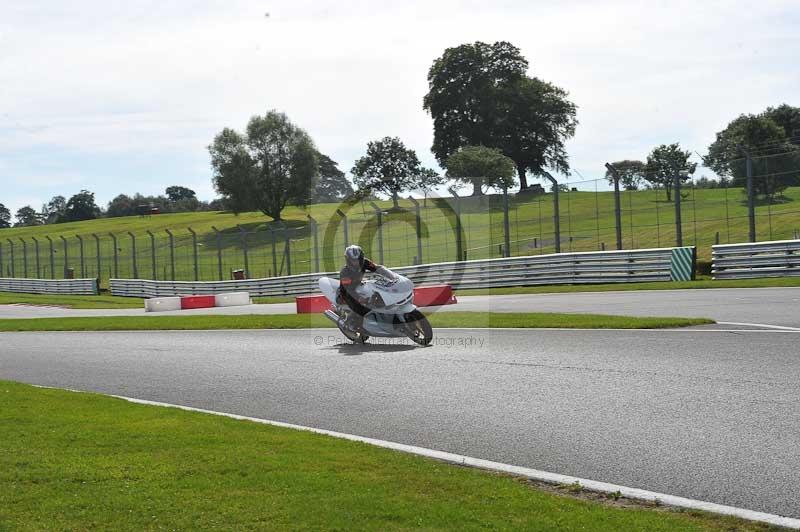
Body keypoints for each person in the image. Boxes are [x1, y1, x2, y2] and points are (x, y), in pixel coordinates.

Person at [337, 244, 392, 331]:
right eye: (353, 260)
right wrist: (359, 298)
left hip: (358, 286)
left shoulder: (364, 262)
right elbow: (348, 290)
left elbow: (377, 268)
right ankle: (353, 324)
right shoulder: (345, 272)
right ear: (348, 260)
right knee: (363, 308)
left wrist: (391, 276)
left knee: (377, 298)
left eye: (358, 259)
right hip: (346, 293)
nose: (356, 262)